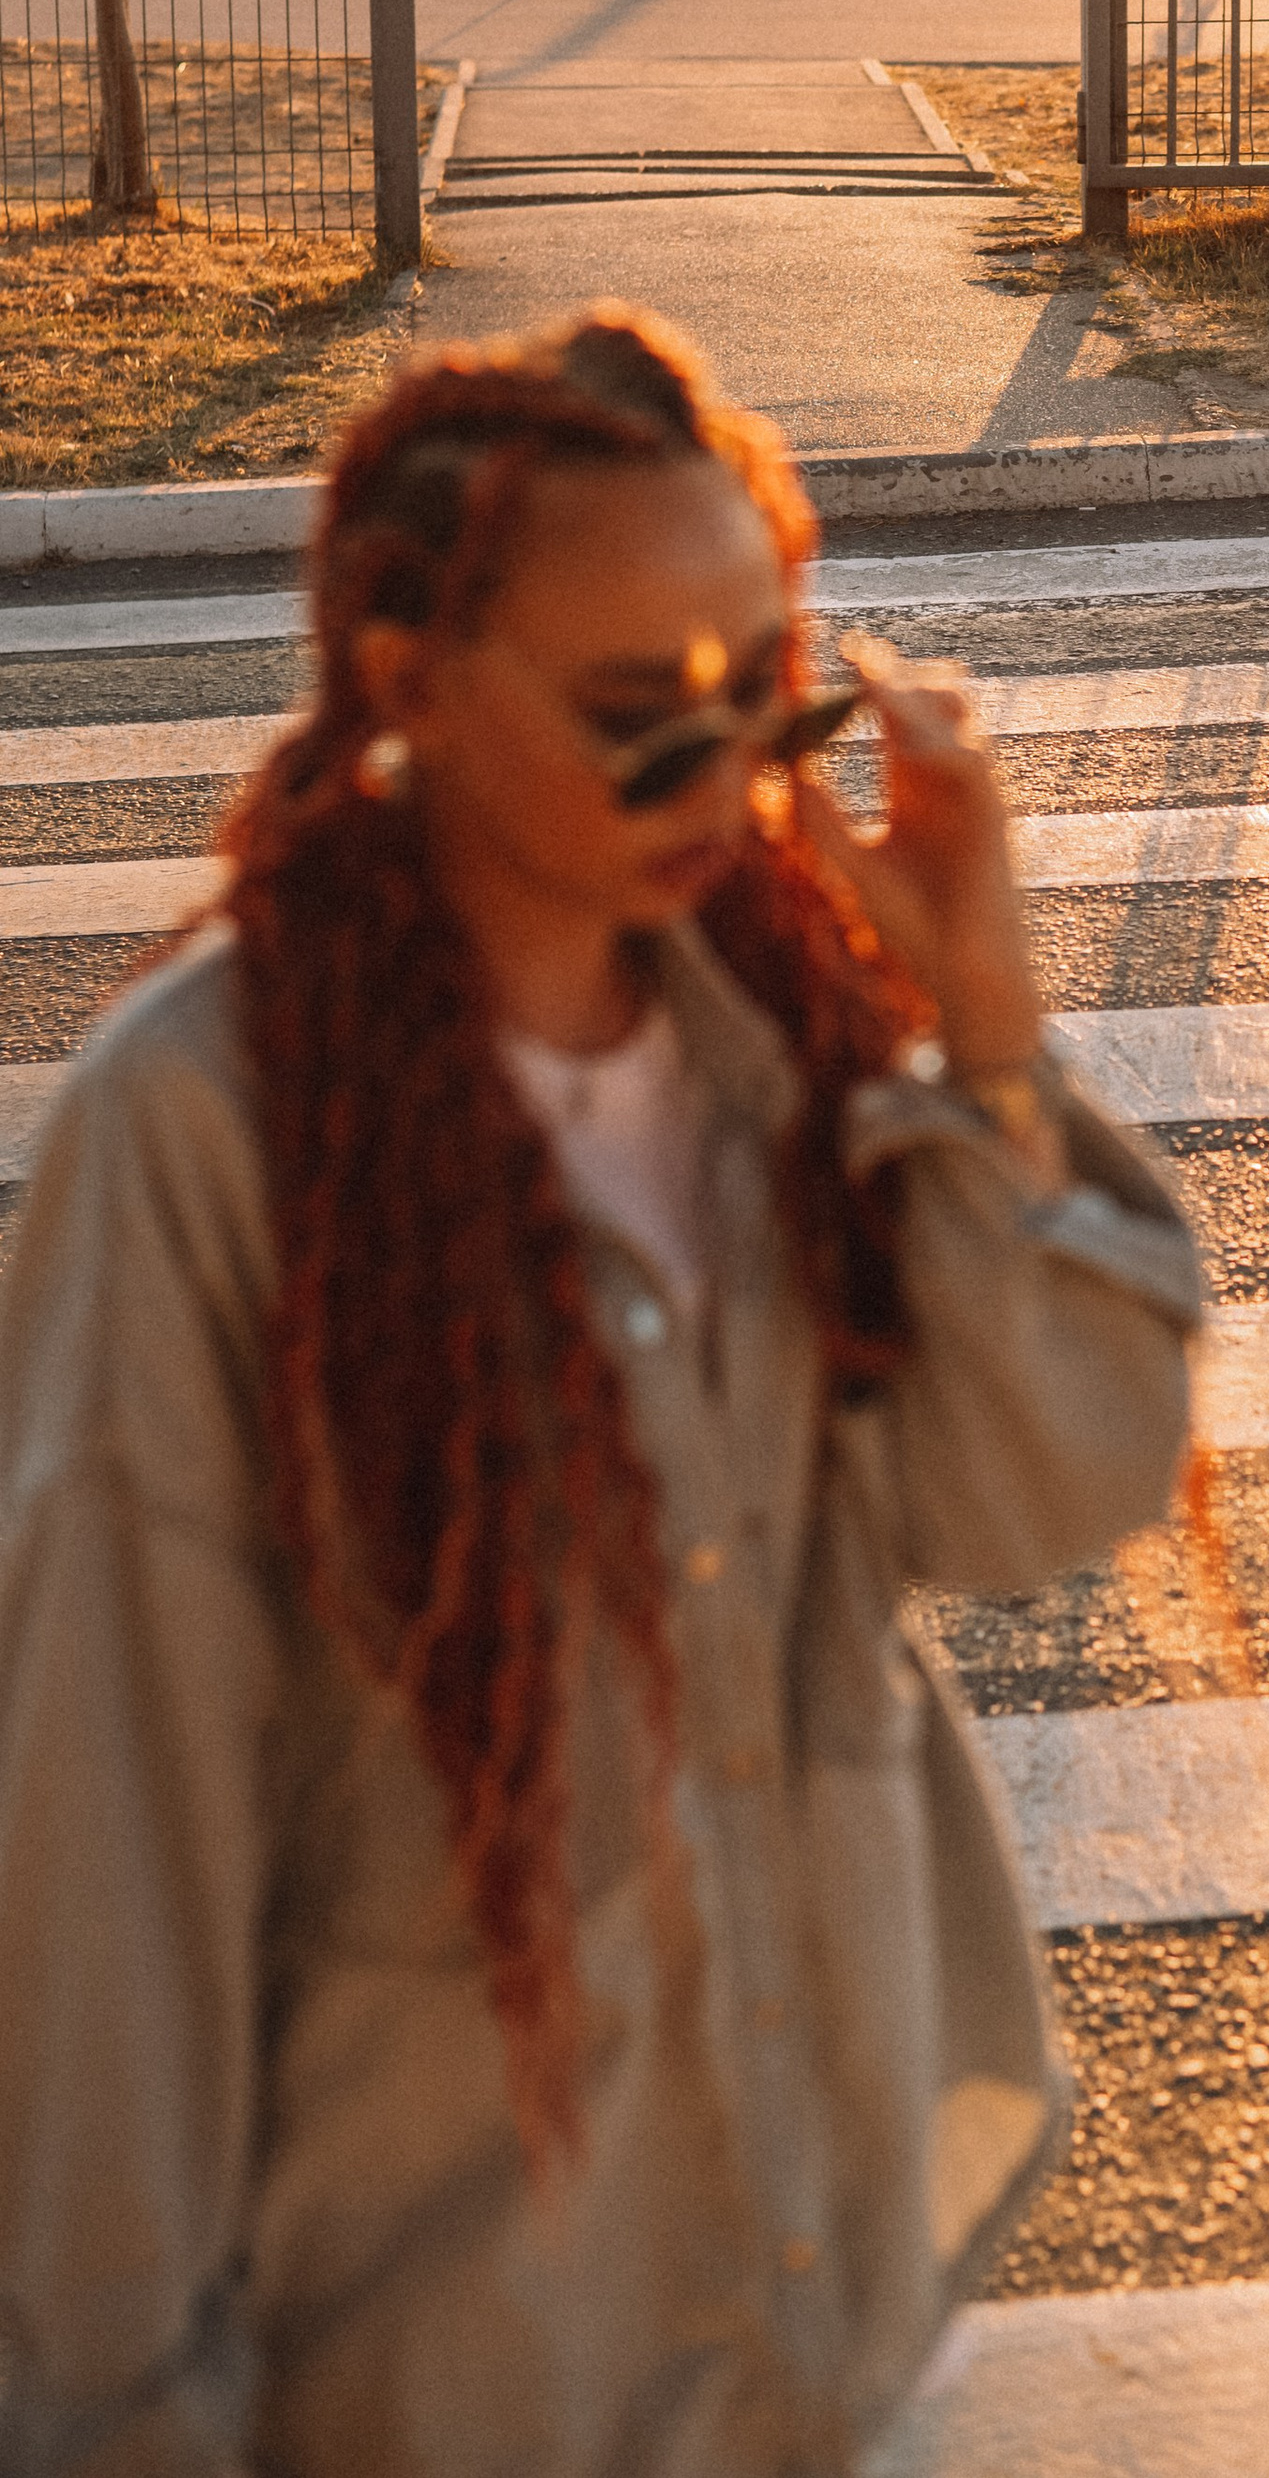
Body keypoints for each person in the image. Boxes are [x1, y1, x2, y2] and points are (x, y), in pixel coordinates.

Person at [0, 309, 1199, 2478]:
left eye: (768, 700)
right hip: (448, 2377)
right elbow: (109, 1847)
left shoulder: (781, 1038)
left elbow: (1037, 1498)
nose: (726, 783)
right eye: (641, 718)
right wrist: (122, 2416)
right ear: (407, 679)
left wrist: (986, 1027)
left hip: (810, 2330)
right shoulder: (206, 1133)